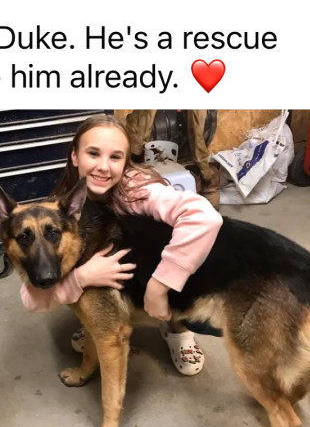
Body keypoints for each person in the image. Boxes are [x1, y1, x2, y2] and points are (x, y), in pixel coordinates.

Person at [21, 113, 223, 375]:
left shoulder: (139, 190)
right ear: (75, 156)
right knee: (79, 270)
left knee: (176, 262)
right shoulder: (62, 206)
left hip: (173, 269)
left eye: (115, 157)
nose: (103, 167)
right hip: (123, 272)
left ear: (126, 162)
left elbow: (206, 217)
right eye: (93, 153)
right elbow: (32, 300)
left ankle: (177, 328)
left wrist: (160, 286)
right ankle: (105, 316)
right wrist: (82, 277)